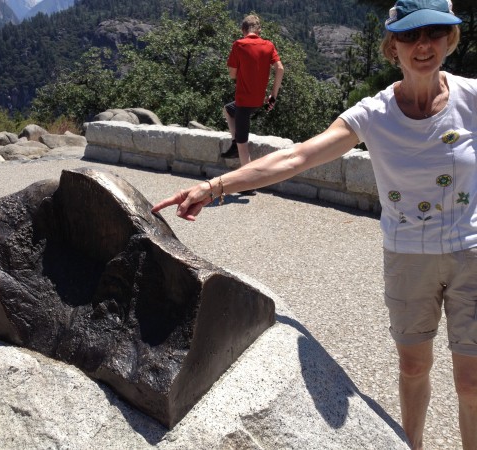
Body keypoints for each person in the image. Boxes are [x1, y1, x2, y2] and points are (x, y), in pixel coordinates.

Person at [152, 1, 477, 448]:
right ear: (392, 46)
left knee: (472, 384)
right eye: (409, 35)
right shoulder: (373, 113)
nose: (423, 45)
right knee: (413, 368)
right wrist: (214, 187)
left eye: (435, 33)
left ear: (451, 39)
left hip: (470, 253)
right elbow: (298, 156)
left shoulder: (472, 98)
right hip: (408, 255)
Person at [221, 14, 285, 172]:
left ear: (243, 29)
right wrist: (273, 96)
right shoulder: (268, 45)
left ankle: (247, 185)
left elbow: (232, 75)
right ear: (259, 30)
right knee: (228, 109)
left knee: (243, 147)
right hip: (259, 101)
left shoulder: (238, 45)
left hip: (244, 102)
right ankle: (235, 142)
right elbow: (280, 68)